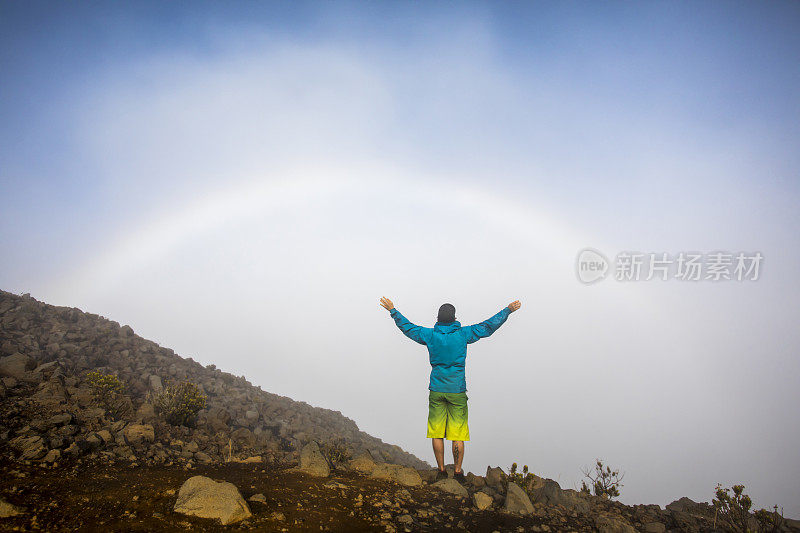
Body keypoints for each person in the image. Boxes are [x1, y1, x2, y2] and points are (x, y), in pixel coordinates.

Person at [379, 297, 521, 483]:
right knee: (457, 434)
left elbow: (409, 328)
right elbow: (487, 327)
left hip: (437, 389)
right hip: (457, 391)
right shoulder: (463, 334)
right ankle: (459, 472)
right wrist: (508, 310)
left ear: (438, 318)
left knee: (437, 432)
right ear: (454, 318)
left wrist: (393, 311)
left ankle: (441, 470)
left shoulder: (430, 335)